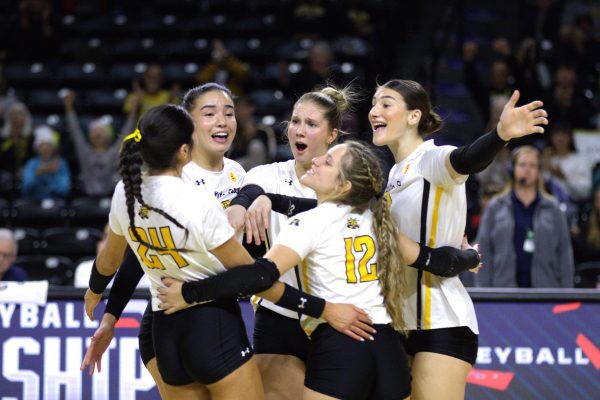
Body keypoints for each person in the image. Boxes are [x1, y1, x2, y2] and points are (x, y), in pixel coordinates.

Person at [158, 141, 481, 400]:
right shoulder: (379, 222)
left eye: (327, 162)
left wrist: (190, 293)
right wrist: (469, 258)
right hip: (388, 351)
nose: (316, 162)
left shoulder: (310, 222)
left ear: (343, 186)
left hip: (341, 347)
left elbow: (259, 277)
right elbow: (438, 261)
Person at [368, 79, 547, 399]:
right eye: (373, 103)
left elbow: (465, 160)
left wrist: (500, 136)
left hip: (442, 322)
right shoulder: (394, 175)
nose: (374, 111)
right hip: (400, 322)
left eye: (386, 103)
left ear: (413, 116)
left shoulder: (430, 159)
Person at [80, 104, 263, 399]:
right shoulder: (195, 199)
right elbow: (252, 275)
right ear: (184, 148)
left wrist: (95, 293)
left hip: (166, 328)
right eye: (208, 114)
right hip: (210, 322)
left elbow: (112, 260)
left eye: (229, 112)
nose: (221, 120)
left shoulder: (125, 191)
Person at [226, 86, 350, 399]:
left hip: (334, 315)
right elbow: (250, 190)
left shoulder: (347, 184)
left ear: (332, 134)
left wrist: (274, 201)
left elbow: (329, 211)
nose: (299, 130)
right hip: (279, 316)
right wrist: (240, 207)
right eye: (295, 121)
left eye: (311, 124)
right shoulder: (267, 174)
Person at [476, 146, 575, 288]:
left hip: (546, 293)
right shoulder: (495, 207)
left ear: (539, 171)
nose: (527, 170)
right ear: (513, 168)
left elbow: (564, 253)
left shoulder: (553, 208)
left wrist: (567, 295)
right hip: (502, 294)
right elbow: (484, 251)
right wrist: (483, 293)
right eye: (522, 164)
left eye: (532, 166)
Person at [63, 90, 137, 197]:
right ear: (89, 137)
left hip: (110, 197)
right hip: (88, 198)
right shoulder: (85, 152)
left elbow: (126, 132)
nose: (97, 135)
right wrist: (68, 107)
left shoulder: (114, 151)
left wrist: (134, 110)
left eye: (101, 132)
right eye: (94, 132)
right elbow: (75, 132)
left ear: (108, 136)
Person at [542, 119, 591, 203]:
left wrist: (564, 177)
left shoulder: (580, 160)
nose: (560, 138)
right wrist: (545, 165)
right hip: (547, 207)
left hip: (573, 208)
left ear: (570, 137)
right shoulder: (547, 158)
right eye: (556, 134)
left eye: (564, 134)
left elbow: (585, 191)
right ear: (551, 137)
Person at [21, 125, 70, 200]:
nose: (45, 148)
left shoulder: (61, 163)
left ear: (53, 148)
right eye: (41, 145)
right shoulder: (31, 164)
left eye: (48, 145)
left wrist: (53, 174)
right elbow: (26, 190)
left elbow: (64, 190)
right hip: (34, 201)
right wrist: (37, 174)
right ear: (36, 148)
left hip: (56, 201)